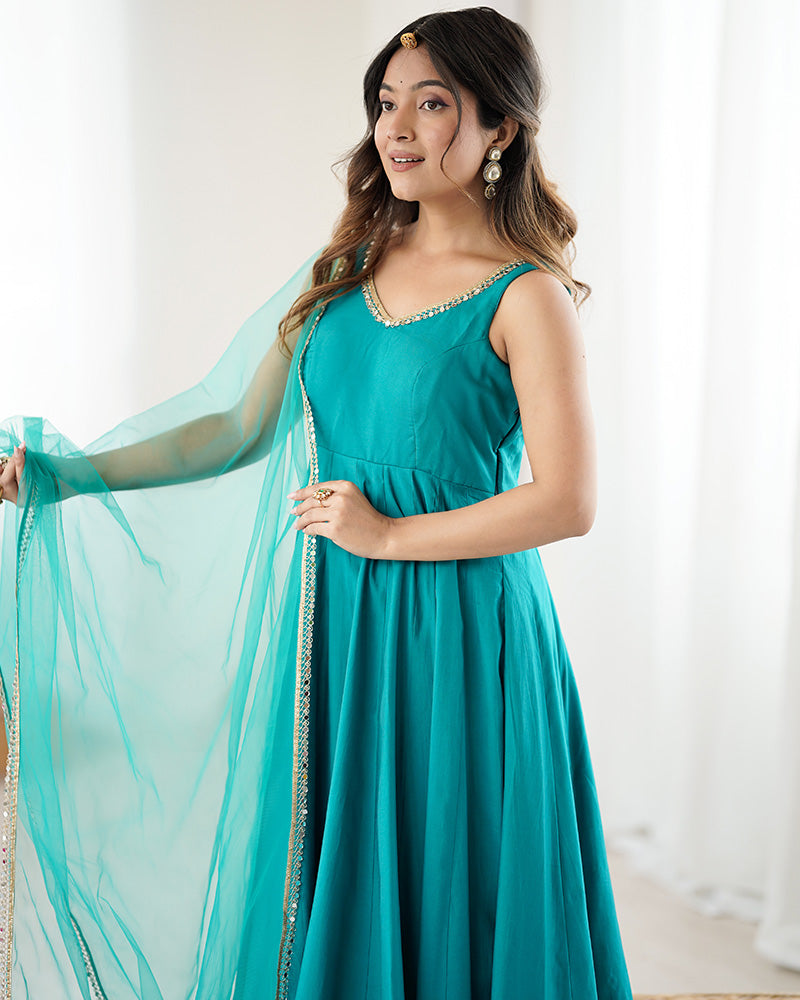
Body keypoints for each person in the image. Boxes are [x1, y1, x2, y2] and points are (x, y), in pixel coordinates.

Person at [0, 8, 632, 999]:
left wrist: (387, 534)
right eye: (386, 103)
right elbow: (229, 428)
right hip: (336, 620)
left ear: (500, 128)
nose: (398, 128)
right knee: (339, 871)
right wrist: (71, 471)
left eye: (432, 104)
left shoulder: (525, 295)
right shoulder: (344, 273)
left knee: (452, 871)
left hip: (463, 633)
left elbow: (567, 501)